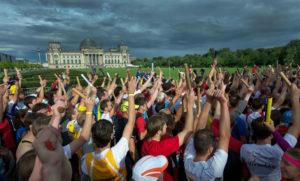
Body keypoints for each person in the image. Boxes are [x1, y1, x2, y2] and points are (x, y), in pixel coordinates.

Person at [81, 77, 138, 180]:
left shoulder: (86, 160)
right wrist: (131, 93)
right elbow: (130, 123)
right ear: (111, 136)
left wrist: (89, 111)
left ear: (93, 137)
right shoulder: (117, 154)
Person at [241, 83, 300, 181]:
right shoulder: (279, 151)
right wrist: (295, 98)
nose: (280, 165)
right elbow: (297, 126)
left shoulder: (244, 149)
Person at [184, 89, 231, 181]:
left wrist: (208, 101)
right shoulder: (212, 170)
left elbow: (198, 130)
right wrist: (224, 103)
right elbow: (224, 137)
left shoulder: (188, 160)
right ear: (210, 150)